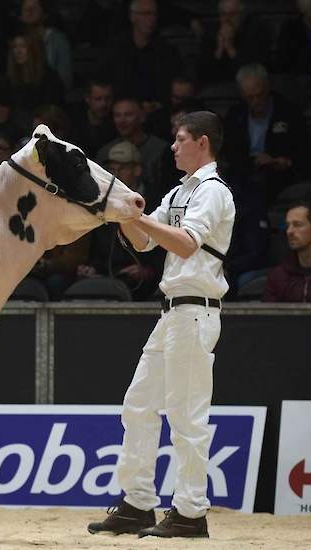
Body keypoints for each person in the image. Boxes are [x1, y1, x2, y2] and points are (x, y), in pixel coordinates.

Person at [88, 111, 234, 539]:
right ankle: (137, 503)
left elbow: (186, 245)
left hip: (195, 310)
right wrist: (125, 215)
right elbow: (147, 242)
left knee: (187, 416)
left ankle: (190, 511)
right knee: (138, 405)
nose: (172, 146)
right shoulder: (180, 190)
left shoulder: (212, 191)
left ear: (202, 143)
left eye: (180, 138)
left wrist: (139, 217)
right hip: (172, 311)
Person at [81, 141, 166, 300]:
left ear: (137, 170)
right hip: (109, 274)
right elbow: (99, 248)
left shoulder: (157, 202)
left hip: (145, 277)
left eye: (122, 168)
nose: (116, 174)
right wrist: (92, 267)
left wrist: (149, 269)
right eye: (112, 169)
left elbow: (165, 245)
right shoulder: (103, 202)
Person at [223, 63, 311, 206]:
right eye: (250, 98)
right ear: (242, 94)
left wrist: (286, 162)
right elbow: (229, 152)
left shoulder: (288, 111)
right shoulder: (235, 115)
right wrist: (252, 162)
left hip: (280, 175)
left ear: (268, 87)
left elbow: (304, 151)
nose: (256, 102)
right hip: (244, 173)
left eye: (260, 96)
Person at [100, 0, 179, 114]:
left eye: (154, 14)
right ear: (133, 17)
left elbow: (171, 86)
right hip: (121, 111)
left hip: (157, 111)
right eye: (146, 14)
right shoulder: (116, 49)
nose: (152, 19)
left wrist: (158, 103)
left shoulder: (167, 50)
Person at [96, 97, 171, 207]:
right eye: (117, 115)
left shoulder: (162, 150)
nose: (122, 120)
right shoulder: (104, 152)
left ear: (142, 117)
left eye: (128, 115)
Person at [196, 0, 272, 83]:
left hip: (248, 84)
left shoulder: (257, 30)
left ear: (242, 15)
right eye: (223, 14)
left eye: (232, 14)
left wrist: (230, 48)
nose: (227, 19)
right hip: (217, 85)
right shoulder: (210, 32)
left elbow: (253, 73)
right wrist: (219, 49)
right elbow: (203, 73)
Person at [18, 0, 73, 89]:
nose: (29, 11)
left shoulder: (58, 40)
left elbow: (65, 79)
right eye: (25, 9)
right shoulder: (17, 41)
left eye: (34, 8)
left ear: (45, 14)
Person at [7, 32, 64, 111]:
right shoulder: (11, 78)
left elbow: (51, 110)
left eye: (23, 46)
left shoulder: (49, 77)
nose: (18, 51)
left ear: (34, 49)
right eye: (14, 47)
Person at [68, 79, 118, 157]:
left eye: (108, 98)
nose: (103, 104)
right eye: (98, 99)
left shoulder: (117, 122)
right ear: (88, 99)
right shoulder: (75, 124)